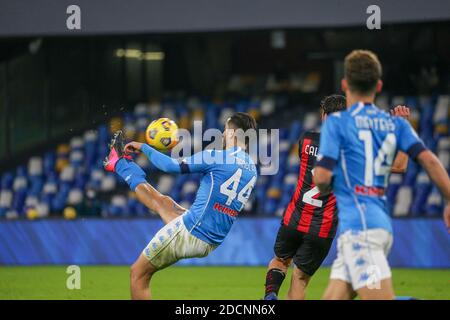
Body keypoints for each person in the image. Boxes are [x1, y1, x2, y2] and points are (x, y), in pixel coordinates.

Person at [314, 50, 450, 300]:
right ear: (378, 85)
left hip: (360, 231)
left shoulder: (337, 123)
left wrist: (327, 185)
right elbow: (429, 160)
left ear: (345, 84)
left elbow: (321, 177)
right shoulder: (396, 124)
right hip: (374, 227)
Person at [263, 95, 410, 300]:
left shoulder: (305, 140)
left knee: (279, 261)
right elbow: (400, 166)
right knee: (300, 278)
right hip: (322, 228)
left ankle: (270, 295)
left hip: (293, 219)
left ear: (324, 116)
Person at [103, 112, 258, 300]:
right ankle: (120, 164)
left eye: (225, 131)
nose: (223, 135)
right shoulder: (252, 168)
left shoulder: (217, 156)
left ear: (233, 134)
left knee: (138, 274)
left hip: (192, 231)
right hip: (211, 239)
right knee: (164, 203)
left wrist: (144, 147)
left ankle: (119, 164)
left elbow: (170, 166)